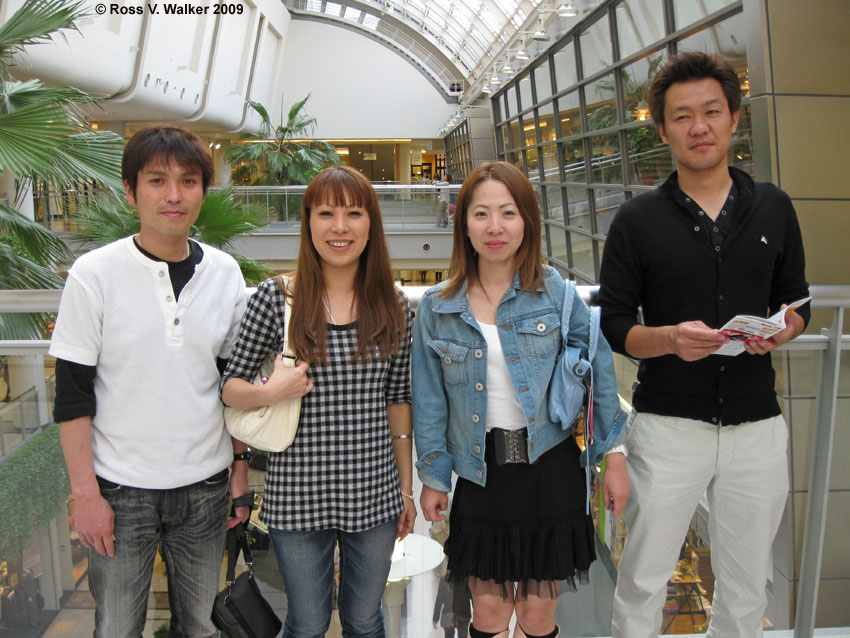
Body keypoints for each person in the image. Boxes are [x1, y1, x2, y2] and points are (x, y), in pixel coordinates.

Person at [598, 52, 810, 638]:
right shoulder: (636, 220)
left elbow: (797, 302)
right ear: (662, 129)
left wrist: (782, 330)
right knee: (643, 578)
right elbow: (615, 325)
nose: (699, 127)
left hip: (758, 427)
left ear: (734, 119)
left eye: (712, 111)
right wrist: (667, 339)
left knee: (748, 587)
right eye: (683, 116)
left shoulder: (774, 206)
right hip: (667, 428)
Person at [412, 161, 630, 638]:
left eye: (508, 213)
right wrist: (433, 478)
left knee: (537, 616)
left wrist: (613, 458)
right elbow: (429, 401)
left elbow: (601, 370)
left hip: (549, 469)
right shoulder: (436, 307)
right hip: (480, 472)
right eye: (481, 214)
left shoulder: (557, 293)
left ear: (527, 221)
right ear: (463, 224)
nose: (495, 227)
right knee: (488, 615)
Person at [50, 126, 251, 638]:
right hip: (120, 493)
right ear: (130, 190)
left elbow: (234, 384)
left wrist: (239, 469)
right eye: (157, 180)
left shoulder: (226, 274)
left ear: (204, 191)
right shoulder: (94, 274)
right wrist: (86, 497)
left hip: (206, 488)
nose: (173, 195)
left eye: (187, 181)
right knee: (116, 628)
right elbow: (72, 396)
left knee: (204, 629)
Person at [221, 165, 416, 638]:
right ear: (308, 223)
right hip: (297, 493)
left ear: (371, 224)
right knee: (306, 622)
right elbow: (230, 388)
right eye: (326, 212)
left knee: (365, 619)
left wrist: (405, 489)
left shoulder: (395, 305)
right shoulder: (276, 297)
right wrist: (272, 391)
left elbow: (398, 401)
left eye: (353, 212)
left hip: (373, 492)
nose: (340, 226)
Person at [433, 573, 472, 638]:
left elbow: (439, 599)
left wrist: (435, 618)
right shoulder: (467, 580)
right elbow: (473, 597)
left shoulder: (444, 579)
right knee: (463, 635)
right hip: (463, 614)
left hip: (449, 614)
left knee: (449, 635)